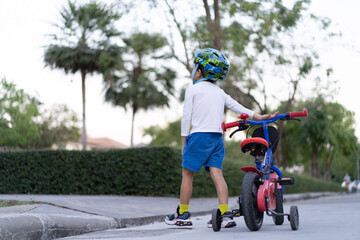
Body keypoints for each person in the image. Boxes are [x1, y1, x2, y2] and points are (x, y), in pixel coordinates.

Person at [165, 48, 278, 227]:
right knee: (218, 174)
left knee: (187, 175)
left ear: (200, 71)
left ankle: (183, 214)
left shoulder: (192, 90)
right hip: (217, 139)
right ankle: (225, 213)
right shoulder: (219, 92)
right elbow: (238, 106)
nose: (194, 70)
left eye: (195, 67)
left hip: (198, 137)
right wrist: (258, 117)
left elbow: (186, 117)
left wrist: (183, 142)